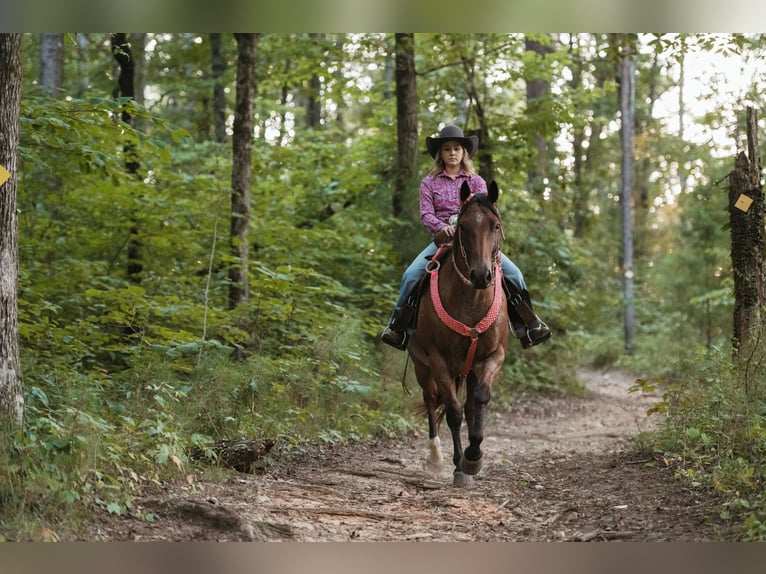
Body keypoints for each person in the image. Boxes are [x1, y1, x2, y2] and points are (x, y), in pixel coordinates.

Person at [381, 124, 551, 351]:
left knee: (514, 274)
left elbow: (484, 213)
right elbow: (425, 214)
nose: (452, 153)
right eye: (447, 149)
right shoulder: (429, 183)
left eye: (457, 149)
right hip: (443, 240)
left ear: (464, 153)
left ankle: (529, 325)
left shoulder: (476, 182)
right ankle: (398, 327)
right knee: (411, 275)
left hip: (476, 242)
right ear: (440, 154)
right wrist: (443, 227)